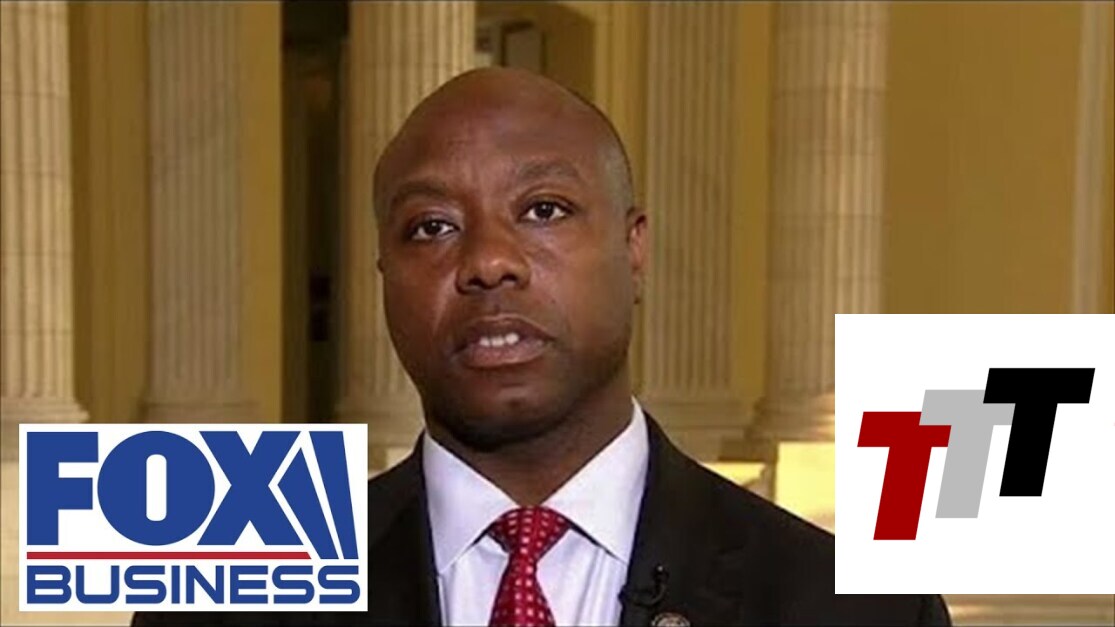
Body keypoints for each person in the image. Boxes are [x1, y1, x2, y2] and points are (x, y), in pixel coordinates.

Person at [134, 67, 950, 627]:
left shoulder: (855, 609)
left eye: (544, 210)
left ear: (633, 248)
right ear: (383, 276)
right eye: (431, 226)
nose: (488, 260)